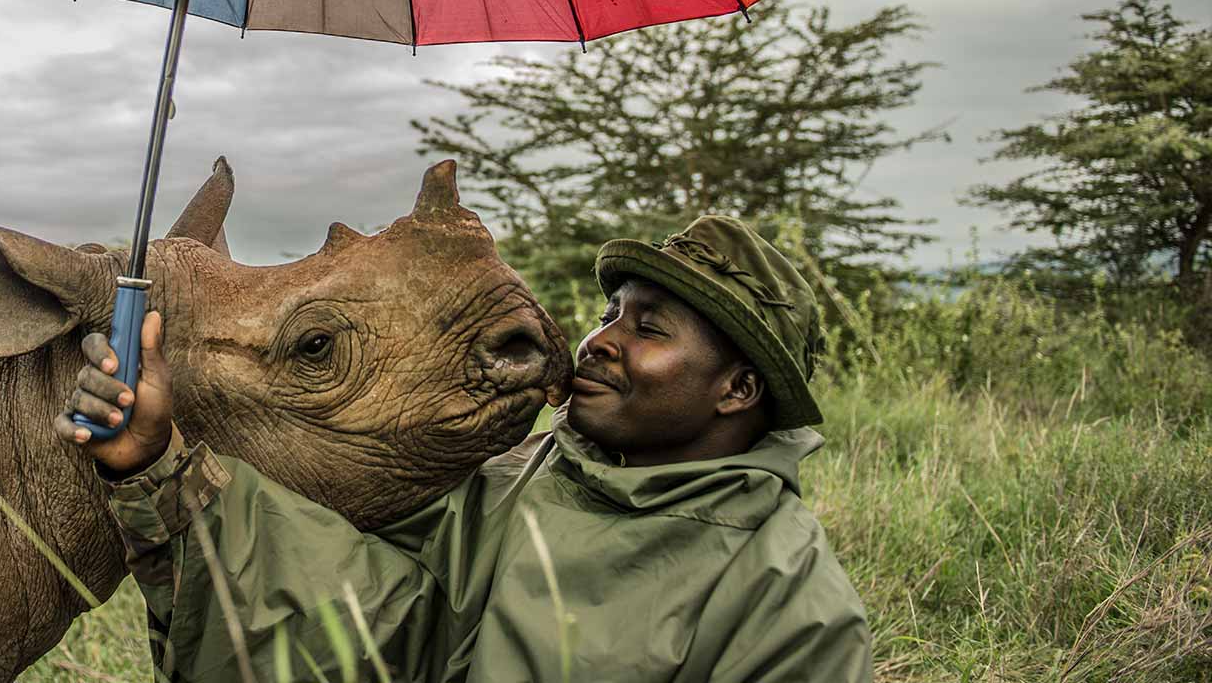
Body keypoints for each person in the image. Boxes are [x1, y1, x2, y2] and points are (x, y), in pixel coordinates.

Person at [53, 215, 873, 682]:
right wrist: (160, 463)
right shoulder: (517, 480)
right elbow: (370, 622)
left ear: (737, 390)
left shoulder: (787, 597)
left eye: (647, 329)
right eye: (612, 313)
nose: (597, 340)